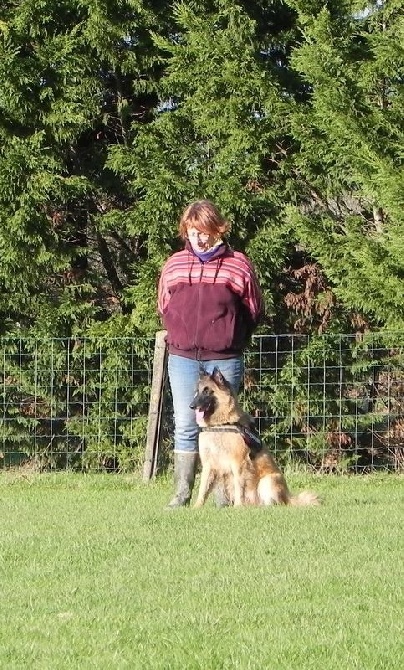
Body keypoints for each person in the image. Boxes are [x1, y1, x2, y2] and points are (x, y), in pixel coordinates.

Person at [158, 199, 264, 508]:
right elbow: (164, 305)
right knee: (186, 423)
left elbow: (253, 309)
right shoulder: (174, 264)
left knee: (225, 425)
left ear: (218, 229)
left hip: (224, 358)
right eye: (193, 232)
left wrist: (232, 337)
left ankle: (223, 499)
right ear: (186, 231)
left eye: (205, 231)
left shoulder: (238, 263)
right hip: (183, 358)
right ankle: (181, 494)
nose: (200, 238)